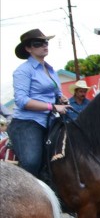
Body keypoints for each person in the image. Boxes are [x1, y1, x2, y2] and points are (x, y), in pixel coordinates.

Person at [8, 29, 71, 178]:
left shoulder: (50, 70)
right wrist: (53, 107)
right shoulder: (23, 71)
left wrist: (61, 98)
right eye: (38, 43)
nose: (44, 45)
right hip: (27, 122)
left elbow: (56, 92)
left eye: (46, 42)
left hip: (51, 121)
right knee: (31, 162)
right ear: (28, 49)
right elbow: (22, 101)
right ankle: (23, 195)